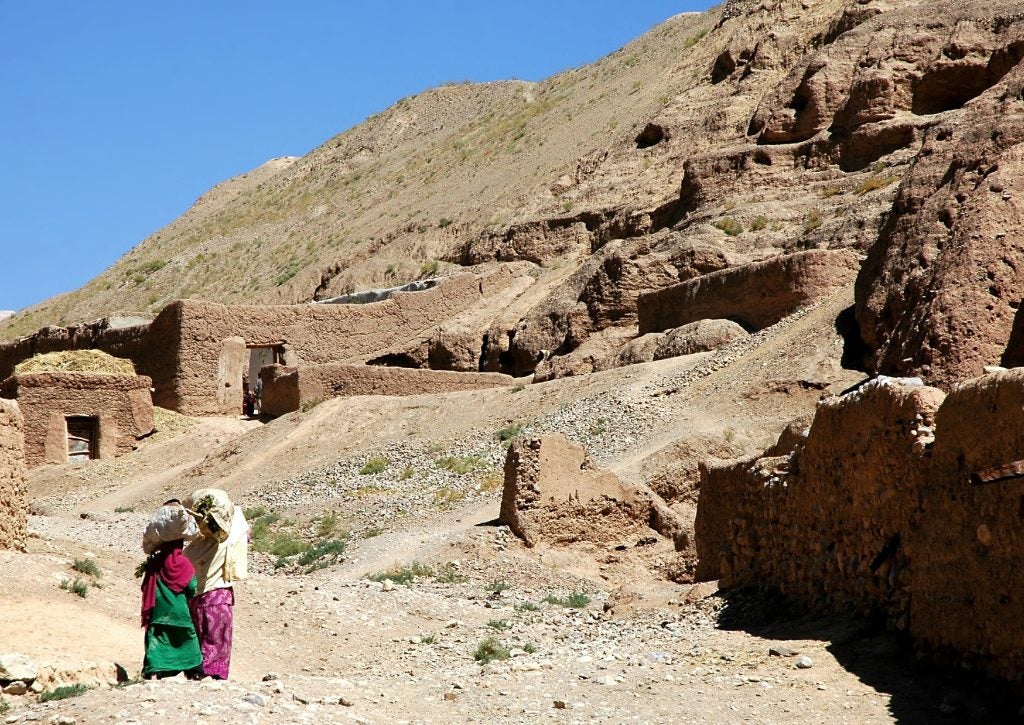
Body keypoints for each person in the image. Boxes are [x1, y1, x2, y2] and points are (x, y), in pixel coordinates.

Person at [183, 488, 249, 680]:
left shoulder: (195, 547)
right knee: (217, 639)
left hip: (196, 597)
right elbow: (242, 525)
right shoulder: (233, 533)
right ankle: (213, 676)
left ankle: (198, 674)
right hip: (219, 596)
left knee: (200, 637)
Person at [140, 500, 203, 680]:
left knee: (157, 640)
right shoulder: (183, 563)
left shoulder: (155, 563)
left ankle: (155, 669)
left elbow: (146, 587)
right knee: (188, 640)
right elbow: (192, 587)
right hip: (180, 613)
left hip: (158, 613)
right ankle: (193, 670)